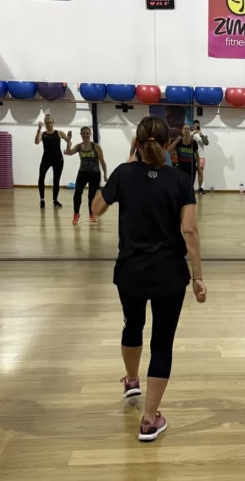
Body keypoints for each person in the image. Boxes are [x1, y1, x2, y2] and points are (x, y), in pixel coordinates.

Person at [92, 116, 207, 441]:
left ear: (138, 143)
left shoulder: (123, 173)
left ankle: (132, 380)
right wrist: (198, 276)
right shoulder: (180, 180)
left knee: (132, 324)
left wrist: (127, 164)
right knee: (162, 342)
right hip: (169, 274)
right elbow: (189, 230)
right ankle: (149, 419)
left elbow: (96, 208)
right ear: (167, 144)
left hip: (130, 271)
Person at [65, 127, 108, 225]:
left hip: (94, 174)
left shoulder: (96, 146)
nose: (85, 135)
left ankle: (91, 214)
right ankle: (76, 215)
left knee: (91, 196)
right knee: (77, 194)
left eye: (87, 133)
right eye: (83, 133)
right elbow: (69, 152)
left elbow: (102, 161)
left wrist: (105, 175)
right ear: (81, 134)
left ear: (90, 134)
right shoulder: (79, 146)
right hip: (82, 173)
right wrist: (68, 141)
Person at [35, 116, 71, 208]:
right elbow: (36, 142)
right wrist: (39, 129)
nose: (49, 124)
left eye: (50, 122)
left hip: (58, 159)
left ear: (53, 123)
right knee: (41, 177)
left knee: (56, 180)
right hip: (46, 158)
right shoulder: (42, 133)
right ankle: (42, 200)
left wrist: (68, 148)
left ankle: (55, 200)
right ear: (45, 123)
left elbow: (68, 141)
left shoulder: (59, 133)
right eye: (47, 123)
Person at [193, 119, 210, 195]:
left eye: (198, 125)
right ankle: (190, 188)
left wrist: (201, 134)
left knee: (200, 173)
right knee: (192, 173)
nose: (196, 126)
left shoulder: (202, 134)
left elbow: (206, 143)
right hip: (193, 157)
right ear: (193, 126)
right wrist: (194, 133)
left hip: (201, 157)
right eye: (195, 125)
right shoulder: (191, 134)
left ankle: (200, 188)